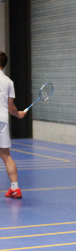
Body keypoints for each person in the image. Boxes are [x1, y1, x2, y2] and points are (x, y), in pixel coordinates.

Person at [0, 52, 27, 199]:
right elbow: (11, 108)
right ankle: (15, 188)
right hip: (2, 121)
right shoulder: (9, 82)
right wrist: (19, 114)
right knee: (6, 156)